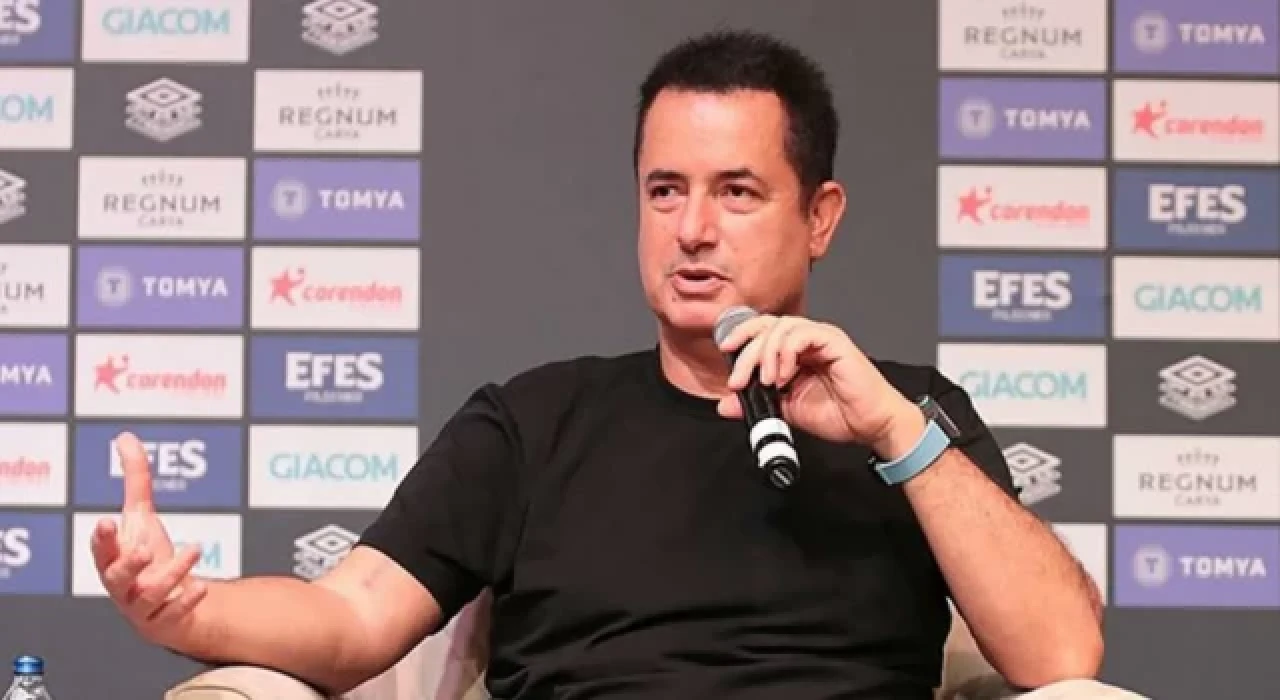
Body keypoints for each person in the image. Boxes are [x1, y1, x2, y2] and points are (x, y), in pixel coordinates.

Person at [92, 29, 1108, 700]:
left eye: (737, 192)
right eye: (665, 190)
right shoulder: (535, 423)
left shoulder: (911, 415)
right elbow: (352, 615)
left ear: (819, 217)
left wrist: (894, 433)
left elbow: (1062, 658)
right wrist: (189, 606)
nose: (692, 229)